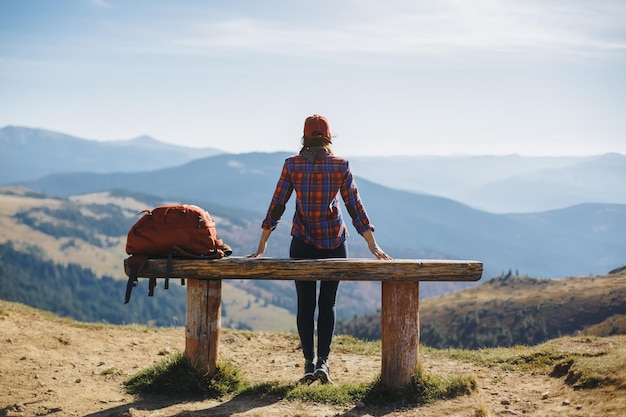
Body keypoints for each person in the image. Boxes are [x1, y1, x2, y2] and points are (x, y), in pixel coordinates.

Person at [247, 114, 391, 384]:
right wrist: (372, 244)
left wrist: (262, 244)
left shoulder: (292, 165)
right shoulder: (340, 165)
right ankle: (324, 363)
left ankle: (308, 364)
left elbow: (277, 204)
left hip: (302, 242)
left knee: (305, 304)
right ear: (328, 137)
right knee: (328, 304)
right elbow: (354, 206)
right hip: (334, 243)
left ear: (304, 137)